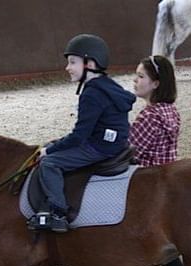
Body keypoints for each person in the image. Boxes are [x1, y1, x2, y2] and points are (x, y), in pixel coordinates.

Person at [88, 56, 191, 266]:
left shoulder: (149, 116)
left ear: (156, 83)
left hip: (145, 192)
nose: (135, 80)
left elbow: (128, 150)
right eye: (136, 75)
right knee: (167, 260)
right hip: (168, 189)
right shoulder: (170, 111)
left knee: (135, 257)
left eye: (141, 76)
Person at [27, 33, 136, 233]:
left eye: (72, 62)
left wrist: (49, 151)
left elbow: (79, 135)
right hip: (115, 142)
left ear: (90, 64)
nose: (67, 68)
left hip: (99, 147)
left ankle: (58, 213)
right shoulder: (108, 85)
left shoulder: (92, 93)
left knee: (50, 163)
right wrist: (56, 143)